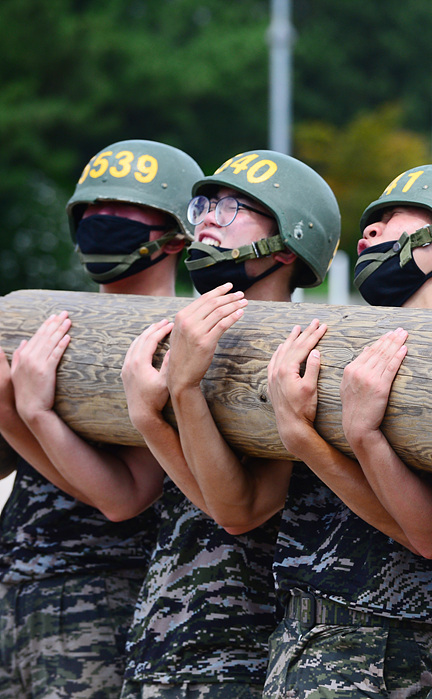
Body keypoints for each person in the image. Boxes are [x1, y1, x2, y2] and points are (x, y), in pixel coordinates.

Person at [203, 162, 432, 698]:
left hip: (374, 653)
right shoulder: (342, 343)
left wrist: (328, 440)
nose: (368, 231)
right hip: (300, 634)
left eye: (391, 217)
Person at [117, 149, 341, 698]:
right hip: (158, 646)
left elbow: (240, 511)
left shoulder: (300, 350)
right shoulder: (195, 334)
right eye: (205, 205)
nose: (207, 220)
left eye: (232, 207)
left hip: (230, 659)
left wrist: (174, 398)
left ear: (289, 245)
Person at [0, 139, 201, 699]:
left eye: (122, 210)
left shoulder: (172, 338)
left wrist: (25, 413)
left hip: (98, 596)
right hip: (15, 580)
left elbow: (125, 497)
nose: (99, 221)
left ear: (176, 233)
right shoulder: (44, 319)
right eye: (89, 209)